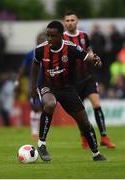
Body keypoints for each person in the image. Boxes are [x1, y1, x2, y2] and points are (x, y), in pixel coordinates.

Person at [31, 20, 107, 161]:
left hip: (67, 88)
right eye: (48, 35)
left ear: (61, 36)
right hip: (48, 85)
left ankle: (96, 154)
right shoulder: (41, 49)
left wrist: (96, 60)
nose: (49, 39)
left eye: (52, 36)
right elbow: (35, 65)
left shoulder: (71, 48)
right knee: (50, 104)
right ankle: (41, 144)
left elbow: (86, 57)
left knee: (84, 122)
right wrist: (34, 88)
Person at [63, 12, 115, 149]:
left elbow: (89, 51)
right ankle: (83, 136)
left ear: (77, 21)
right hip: (72, 82)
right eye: (67, 20)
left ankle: (104, 137)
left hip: (88, 78)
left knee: (97, 105)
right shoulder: (61, 39)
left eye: (72, 20)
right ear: (64, 22)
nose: (70, 22)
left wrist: (94, 58)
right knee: (81, 113)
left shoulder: (84, 36)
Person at [14, 32, 46, 139]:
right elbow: (22, 68)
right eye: (39, 39)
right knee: (35, 107)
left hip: (47, 84)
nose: (41, 41)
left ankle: (42, 131)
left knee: (44, 107)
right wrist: (17, 81)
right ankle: (34, 132)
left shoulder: (50, 52)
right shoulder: (31, 53)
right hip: (34, 83)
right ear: (37, 41)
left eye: (43, 39)